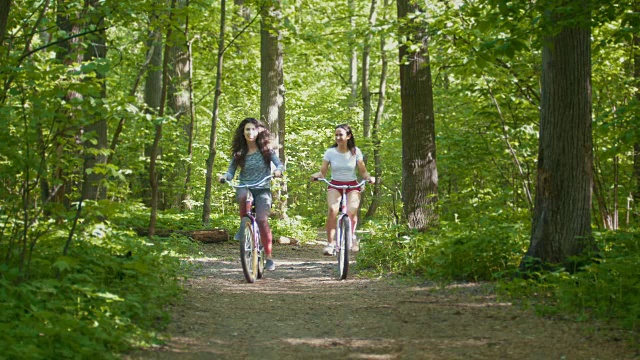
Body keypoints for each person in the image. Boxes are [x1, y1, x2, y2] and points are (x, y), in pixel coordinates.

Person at [220, 118, 283, 271]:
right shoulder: (239, 153)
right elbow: (230, 171)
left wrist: (278, 170)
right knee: (242, 196)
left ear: (258, 132)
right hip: (245, 185)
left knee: (262, 220)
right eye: (247, 129)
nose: (250, 132)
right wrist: (225, 177)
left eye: (253, 129)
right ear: (243, 132)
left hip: (263, 188)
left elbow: (279, 164)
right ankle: (244, 225)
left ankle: (268, 258)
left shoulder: (266, 150)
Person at [311, 124, 375, 255]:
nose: (338, 137)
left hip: (352, 185)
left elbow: (363, 172)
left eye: (341, 135)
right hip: (335, 185)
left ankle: (351, 237)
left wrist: (369, 177)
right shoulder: (330, 152)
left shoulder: (355, 152)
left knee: (352, 211)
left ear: (348, 136)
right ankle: (330, 243)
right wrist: (317, 176)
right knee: (333, 210)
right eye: (336, 135)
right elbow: (323, 172)